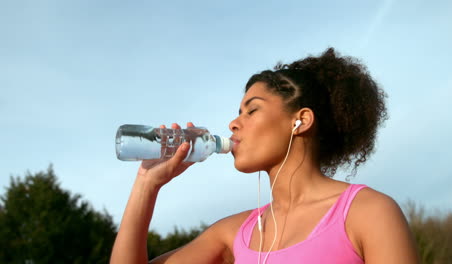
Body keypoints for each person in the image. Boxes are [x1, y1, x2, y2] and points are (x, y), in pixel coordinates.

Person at [110, 48, 419, 263]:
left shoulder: (368, 213)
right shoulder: (235, 233)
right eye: (237, 112)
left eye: (252, 109)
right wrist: (146, 184)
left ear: (301, 121)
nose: (233, 123)